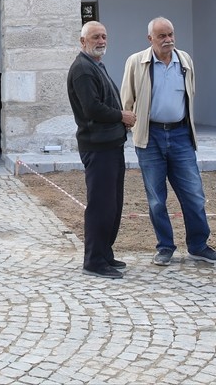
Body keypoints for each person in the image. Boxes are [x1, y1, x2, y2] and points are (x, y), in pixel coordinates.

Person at [120, 17, 216, 266]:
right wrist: (130, 129)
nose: (168, 40)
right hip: (150, 136)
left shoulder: (185, 60)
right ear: (150, 39)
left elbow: (191, 93)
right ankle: (165, 246)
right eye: (162, 36)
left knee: (194, 194)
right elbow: (127, 99)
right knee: (157, 198)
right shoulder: (137, 62)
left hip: (180, 135)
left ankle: (198, 245)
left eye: (170, 34)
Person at [67, 21, 136, 279]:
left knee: (113, 204)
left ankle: (105, 253)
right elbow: (92, 108)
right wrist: (122, 116)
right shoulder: (83, 69)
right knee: (101, 205)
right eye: (95, 37)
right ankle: (94, 260)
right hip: (98, 147)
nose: (101, 41)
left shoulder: (96, 65)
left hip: (111, 144)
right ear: (83, 41)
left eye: (104, 36)